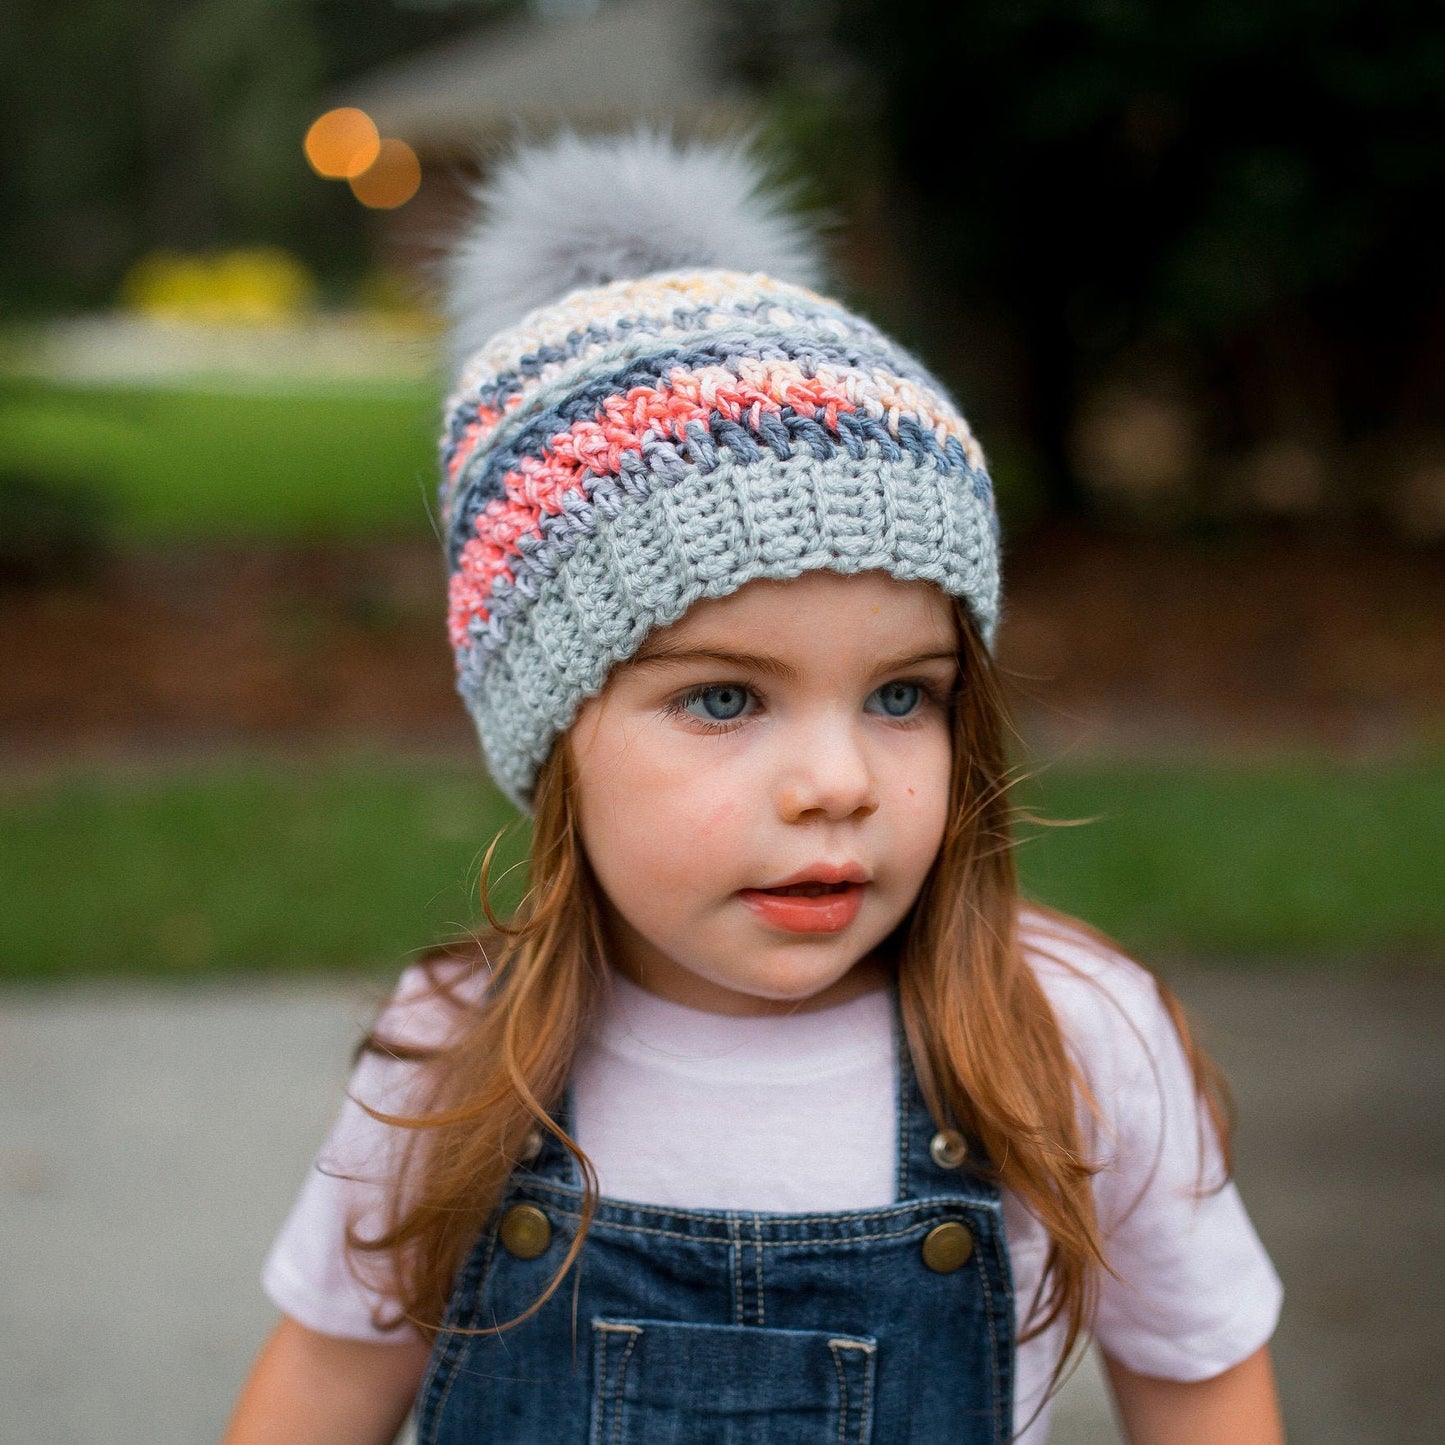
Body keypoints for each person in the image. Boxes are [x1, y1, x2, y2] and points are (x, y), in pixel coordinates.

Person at [225, 130, 1284, 1445]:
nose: (836, 782)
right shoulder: (458, 1053)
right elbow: (322, 1391)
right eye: (724, 696)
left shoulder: (1066, 1039)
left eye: (901, 694)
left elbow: (1204, 1392)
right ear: (554, 735)